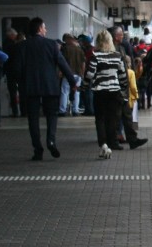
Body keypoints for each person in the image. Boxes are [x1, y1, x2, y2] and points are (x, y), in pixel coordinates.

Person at [12, 17, 76, 161]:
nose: (46, 30)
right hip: (50, 87)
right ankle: (51, 141)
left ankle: (38, 149)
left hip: (30, 88)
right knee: (52, 115)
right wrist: (72, 81)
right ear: (40, 28)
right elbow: (63, 64)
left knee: (33, 119)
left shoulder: (22, 46)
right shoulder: (51, 45)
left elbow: (16, 70)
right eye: (45, 27)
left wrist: (21, 85)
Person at [86, 29, 126, 158]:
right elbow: (123, 75)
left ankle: (103, 145)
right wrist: (123, 88)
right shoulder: (117, 55)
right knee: (112, 119)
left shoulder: (95, 56)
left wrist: (84, 86)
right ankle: (111, 142)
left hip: (100, 91)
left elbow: (90, 74)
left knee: (100, 119)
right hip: (114, 91)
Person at [119, 54, 146, 150]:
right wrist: (136, 96)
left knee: (119, 119)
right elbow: (133, 87)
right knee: (128, 119)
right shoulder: (130, 72)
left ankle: (119, 136)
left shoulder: (118, 71)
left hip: (118, 97)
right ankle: (132, 140)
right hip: (128, 98)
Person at [59, 33, 85, 116]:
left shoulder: (65, 49)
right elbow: (83, 63)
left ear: (68, 40)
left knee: (64, 92)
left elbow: (62, 62)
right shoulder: (79, 50)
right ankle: (75, 110)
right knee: (77, 92)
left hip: (68, 74)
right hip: (78, 74)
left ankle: (62, 110)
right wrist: (82, 73)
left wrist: (61, 72)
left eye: (65, 40)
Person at [2, 28, 25, 117]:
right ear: (11, 35)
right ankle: (23, 111)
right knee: (21, 91)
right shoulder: (17, 46)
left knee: (12, 92)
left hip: (10, 71)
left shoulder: (6, 44)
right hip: (18, 71)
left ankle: (15, 111)